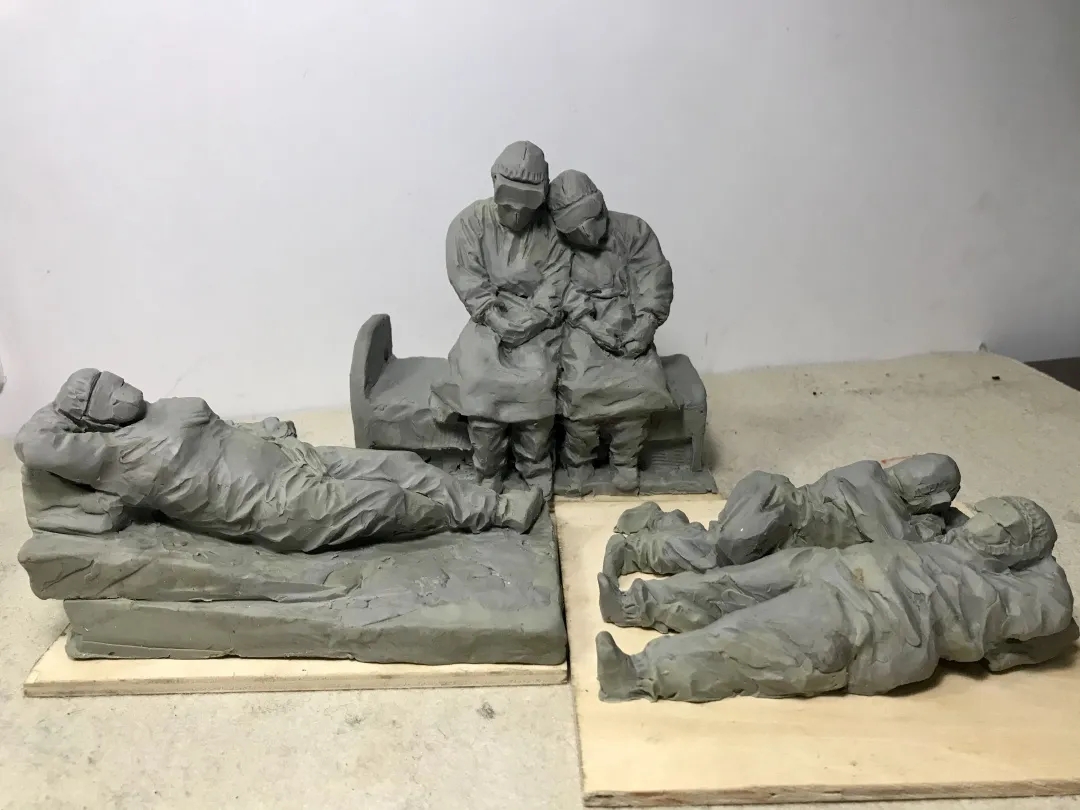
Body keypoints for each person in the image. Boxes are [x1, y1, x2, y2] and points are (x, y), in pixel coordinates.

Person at [595, 495, 1077, 703]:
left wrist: (1044, 558)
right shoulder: (953, 535)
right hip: (839, 566)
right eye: (989, 513)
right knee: (733, 582)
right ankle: (635, 604)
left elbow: (1059, 615)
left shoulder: (1012, 592)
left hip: (876, 615)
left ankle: (638, 674)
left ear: (1019, 549)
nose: (983, 523)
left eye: (1001, 525)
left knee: (750, 639)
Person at [15, 369, 545, 552]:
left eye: (113, 380)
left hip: (291, 457)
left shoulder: (167, 408)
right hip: (274, 504)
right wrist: (61, 408)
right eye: (103, 396)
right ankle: (484, 516)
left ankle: (496, 506)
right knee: (388, 501)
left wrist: (261, 430)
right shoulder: (109, 455)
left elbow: (221, 431)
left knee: (401, 464)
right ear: (90, 421)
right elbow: (31, 442)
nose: (119, 390)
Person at [431, 141, 571, 498]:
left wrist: (537, 317)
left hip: (538, 321)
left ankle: (534, 465)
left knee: (539, 378)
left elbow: (558, 278)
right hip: (488, 318)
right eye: (508, 204)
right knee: (479, 377)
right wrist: (493, 316)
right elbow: (468, 279)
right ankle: (489, 467)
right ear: (494, 183)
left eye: (527, 206)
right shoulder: (469, 223)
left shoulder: (552, 230)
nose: (517, 215)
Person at [602, 454, 963, 578]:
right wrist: (943, 524)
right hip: (775, 513)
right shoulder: (880, 498)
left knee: (716, 544)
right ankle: (637, 551)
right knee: (716, 558)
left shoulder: (872, 473)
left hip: (771, 501)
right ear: (935, 497)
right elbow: (908, 551)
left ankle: (662, 522)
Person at [546, 170, 674, 494]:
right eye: (576, 231)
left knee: (638, 387)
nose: (588, 235)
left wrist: (646, 323)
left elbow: (652, 274)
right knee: (578, 390)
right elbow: (556, 286)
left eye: (593, 221)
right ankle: (578, 461)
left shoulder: (633, 230)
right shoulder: (554, 245)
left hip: (628, 319)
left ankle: (625, 459)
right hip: (581, 325)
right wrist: (589, 323)